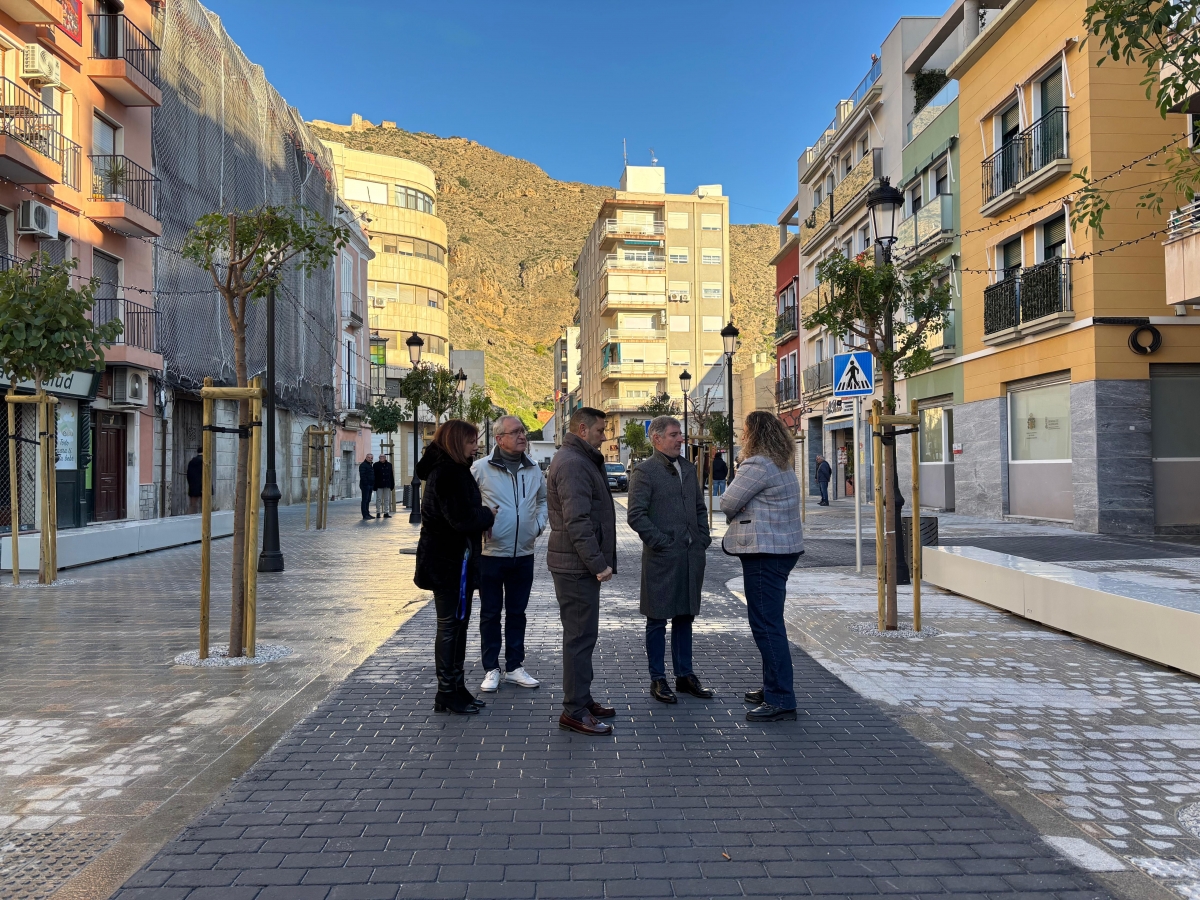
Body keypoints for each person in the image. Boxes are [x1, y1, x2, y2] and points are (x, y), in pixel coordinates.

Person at [720, 411, 804, 723]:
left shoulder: (757, 464)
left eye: (745, 431)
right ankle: (773, 686)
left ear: (754, 434)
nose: (742, 436)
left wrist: (743, 503)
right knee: (771, 621)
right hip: (782, 549)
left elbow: (727, 502)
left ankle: (780, 697)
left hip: (764, 552)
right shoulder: (781, 463)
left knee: (766, 625)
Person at [626, 416, 713, 705]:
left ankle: (684, 675)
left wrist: (702, 539)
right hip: (661, 559)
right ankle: (658, 678)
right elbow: (636, 515)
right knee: (657, 619)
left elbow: (699, 508)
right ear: (657, 438)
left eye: (680, 434)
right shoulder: (645, 471)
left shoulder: (687, 468)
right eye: (674, 434)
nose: (680, 439)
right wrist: (662, 542)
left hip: (690, 557)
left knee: (685, 616)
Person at [414, 420, 496, 716]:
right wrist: (487, 514)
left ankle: (455, 688)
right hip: (448, 563)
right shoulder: (448, 472)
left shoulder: (453, 469)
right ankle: (447, 691)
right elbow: (461, 519)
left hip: (454, 561)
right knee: (450, 626)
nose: (476, 446)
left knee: (457, 625)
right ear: (456, 442)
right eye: (471, 441)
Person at [546, 407, 617, 736]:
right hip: (576, 567)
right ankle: (574, 711)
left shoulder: (580, 459)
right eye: (601, 430)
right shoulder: (574, 463)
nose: (605, 436)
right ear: (583, 429)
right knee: (579, 638)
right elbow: (577, 522)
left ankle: (582, 699)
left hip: (576, 565)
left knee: (584, 636)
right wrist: (598, 564)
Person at [472, 415, 548, 693]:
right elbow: (469, 505)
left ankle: (515, 667)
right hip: (490, 554)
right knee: (490, 613)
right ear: (499, 439)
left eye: (523, 431)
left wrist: (537, 526)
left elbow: (543, 500)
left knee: (517, 613)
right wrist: (480, 523)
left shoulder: (534, 469)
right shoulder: (480, 468)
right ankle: (491, 668)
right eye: (515, 432)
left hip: (523, 554)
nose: (522, 435)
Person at [373, 453, 395, 518]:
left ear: (385, 458)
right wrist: (374, 485)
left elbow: (391, 475)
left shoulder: (389, 465)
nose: (381, 458)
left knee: (386, 499)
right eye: (380, 457)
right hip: (379, 484)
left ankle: (386, 512)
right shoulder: (375, 465)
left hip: (387, 484)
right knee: (378, 499)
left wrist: (392, 484)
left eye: (382, 457)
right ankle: (378, 512)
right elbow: (374, 476)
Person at [358, 452, 375, 520]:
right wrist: (366, 483)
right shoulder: (363, 465)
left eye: (371, 458)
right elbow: (362, 476)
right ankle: (364, 514)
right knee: (365, 500)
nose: (370, 459)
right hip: (365, 485)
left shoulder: (370, 465)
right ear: (366, 457)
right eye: (369, 457)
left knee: (368, 500)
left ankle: (367, 513)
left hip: (370, 485)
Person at [186, 448, 203, 515]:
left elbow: (188, 475)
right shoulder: (205, 461)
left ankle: (188, 518)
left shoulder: (192, 461)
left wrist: (191, 485)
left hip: (193, 486)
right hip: (203, 486)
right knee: (206, 505)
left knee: (193, 505)